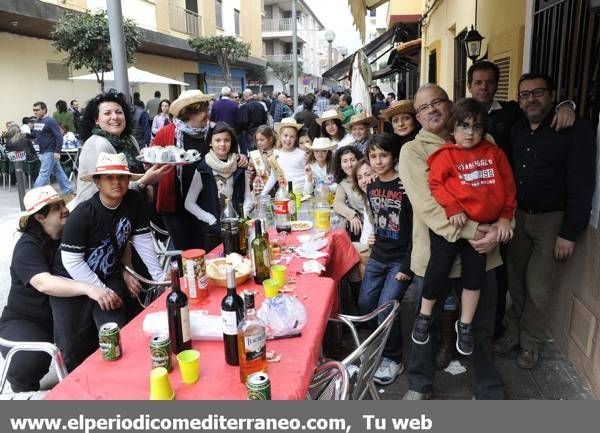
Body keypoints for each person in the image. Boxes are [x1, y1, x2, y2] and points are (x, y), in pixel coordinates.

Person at [399, 83, 505, 400]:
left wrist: (501, 223)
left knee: (482, 327)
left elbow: (500, 186)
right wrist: (478, 233)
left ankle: (488, 390)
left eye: (437, 102)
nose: (431, 110)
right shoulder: (413, 151)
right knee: (425, 323)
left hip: (484, 252)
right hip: (435, 255)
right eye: (423, 107)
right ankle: (419, 384)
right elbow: (429, 206)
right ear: (417, 117)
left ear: (450, 105)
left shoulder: (484, 140)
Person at [466, 60, 577, 338]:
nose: (483, 87)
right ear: (469, 86)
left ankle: (501, 332)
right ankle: (469, 328)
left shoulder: (512, 113)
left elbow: (539, 109)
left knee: (505, 275)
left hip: (508, 209)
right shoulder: (461, 114)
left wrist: (568, 105)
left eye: (489, 82)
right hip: (471, 207)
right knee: (474, 272)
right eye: (478, 82)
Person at [493, 73, 596, 369]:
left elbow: (582, 184)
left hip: (552, 221)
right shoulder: (518, 127)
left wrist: (569, 232)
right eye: (524, 94)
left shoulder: (574, 129)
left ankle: (531, 343)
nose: (531, 99)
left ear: (552, 95)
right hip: (518, 217)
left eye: (538, 93)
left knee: (538, 288)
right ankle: (512, 333)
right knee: (516, 283)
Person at [411, 98, 517, 356]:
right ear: (452, 129)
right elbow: (435, 186)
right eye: (464, 126)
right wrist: (453, 207)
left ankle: (465, 324)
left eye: (476, 127)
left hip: (484, 228)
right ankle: (424, 317)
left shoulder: (493, 152)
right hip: (454, 227)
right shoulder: (443, 154)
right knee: (438, 268)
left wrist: (505, 217)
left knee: (475, 275)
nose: (470, 133)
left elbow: (508, 186)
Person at [0, 186, 122, 392]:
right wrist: (89, 288)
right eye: (56, 208)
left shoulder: (71, 232)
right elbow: (43, 282)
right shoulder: (27, 247)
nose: (64, 209)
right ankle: (24, 393)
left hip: (68, 312)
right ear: (40, 217)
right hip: (29, 320)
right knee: (27, 362)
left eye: (62, 204)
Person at [53, 152, 163, 371]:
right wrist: (99, 290)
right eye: (109, 178)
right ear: (97, 182)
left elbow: (142, 241)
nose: (117, 182)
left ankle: (118, 382)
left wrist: (160, 278)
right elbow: (71, 261)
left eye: (121, 177)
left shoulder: (134, 201)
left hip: (109, 274)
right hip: (72, 282)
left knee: (115, 335)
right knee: (73, 345)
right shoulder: (83, 213)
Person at [360, 133, 413, 385]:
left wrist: (408, 264)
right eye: (373, 156)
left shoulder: (406, 185)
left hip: (400, 260)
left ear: (394, 156)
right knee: (366, 303)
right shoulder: (370, 185)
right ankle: (379, 346)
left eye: (384, 155)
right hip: (378, 256)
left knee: (386, 309)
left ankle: (393, 358)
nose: (379, 161)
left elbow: (416, 229)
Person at [71, 89, 168, 209]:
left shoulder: (130, 140)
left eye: (119, 112)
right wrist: (144, 181)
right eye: (107, 113)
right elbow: (110, 188)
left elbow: (132, 173)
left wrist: (149, 161)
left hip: (127, 208)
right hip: (99, 214)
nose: (114, 117)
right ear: (96, 120)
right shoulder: (97, 143)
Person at [152, 89, 215, 250]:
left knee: (207, 250)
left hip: (205, 204)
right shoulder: (165, 133)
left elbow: (228, 151)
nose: (207, 114)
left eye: (206, 109)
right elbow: (152, 162)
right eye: (202, 110)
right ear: (188, 113)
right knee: (185, 253)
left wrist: (240, 158)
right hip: (175, 207)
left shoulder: (213, 132)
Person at [185, 123, 253, 251]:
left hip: (238, 229)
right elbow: (189, 203)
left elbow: (248, 197)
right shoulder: (203, 168)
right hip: (214, 232)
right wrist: (210, 220)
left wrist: (243, 216)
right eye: (218, 140)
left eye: (226, 140)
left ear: (231, 142)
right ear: (210, 142)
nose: (222, 144)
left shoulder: (239, 166)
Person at [31, 101, 74, 195]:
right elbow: (34, 135)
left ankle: (33, 195)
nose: (35, 112)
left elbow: (59, 136)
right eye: (34, 110)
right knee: (58, 172)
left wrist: (57, 151)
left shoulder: (50, 121)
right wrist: (24, 135)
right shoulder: (37, 121)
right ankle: (68, 191)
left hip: (49, 151)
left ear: (44, 109)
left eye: (37, 110)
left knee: (43, 174)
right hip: (43, 151)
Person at [262, 118, 306, 195]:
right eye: (285, 135)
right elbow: (273, 177)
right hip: (284, 195)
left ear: (296, 138)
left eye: (292, 136)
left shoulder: (301, 154)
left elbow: (307, 174)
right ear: (280, 136)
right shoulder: (275, 155)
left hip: (302, 195)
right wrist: (263, 194)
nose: (288, 139)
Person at [333, 146, 364, 241]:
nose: (349, 164)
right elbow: (337, 204)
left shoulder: (366, 176)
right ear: (340, 165)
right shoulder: (343, 183)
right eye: (345, 161)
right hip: (362, 225)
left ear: (359, 161)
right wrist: (352, 215)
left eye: (352, 160)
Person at [237, 89, 268, 153]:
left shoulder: (245, 107)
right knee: (261, 150)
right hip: (260, 131)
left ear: (245, 96)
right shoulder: (261, 105)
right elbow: (265, 118)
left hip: (250, 133)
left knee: (253, 152)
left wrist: (244, 130)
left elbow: (244, 121)